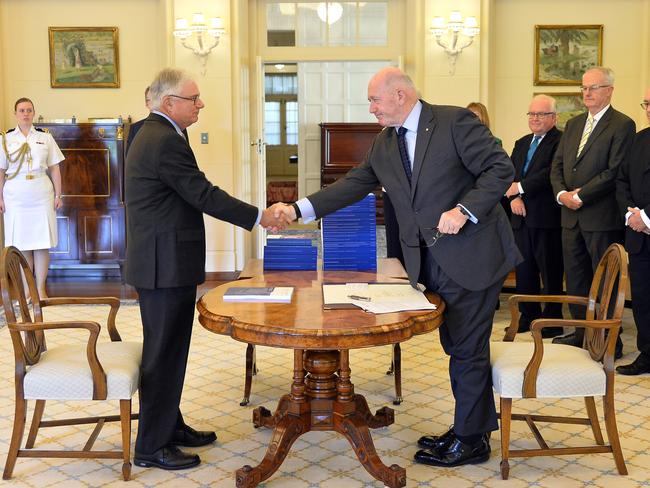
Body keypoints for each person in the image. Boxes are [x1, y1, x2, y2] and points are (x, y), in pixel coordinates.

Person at [273, 67, 521, 467]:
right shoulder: (385, 144)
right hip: (428, 261)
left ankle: (472, 440)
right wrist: (297, 208)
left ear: (401, 94)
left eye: (375, 100)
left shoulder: (455, 121)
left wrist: (465, 209)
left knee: (467, 350)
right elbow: (351, 185)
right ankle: (467, 429)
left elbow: (500, 170)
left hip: (474, 254)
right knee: (457, 347)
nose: (370, 108)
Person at [125, 68, 285, 470]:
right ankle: (150, 448)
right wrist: (259, 216)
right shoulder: (163, 140)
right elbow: (202, 194)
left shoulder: (154, 131)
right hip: (164, 266)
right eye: (193, 99)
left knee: (171, 350)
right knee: (163, 354)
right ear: (168, 104)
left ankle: (169, 426)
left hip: (163, 260)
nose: (200, 104)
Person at [550, 67, 635, 358]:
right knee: (575, 280)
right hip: (570, 218)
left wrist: (581, 196)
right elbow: (558, 165)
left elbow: (614, 171)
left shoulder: (622, 124)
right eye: (584, 88)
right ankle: (581, 333)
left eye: (593, 87)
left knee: (606, 285)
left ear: (609, 90)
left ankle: (610, 341)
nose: (587, 93)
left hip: (600, 217)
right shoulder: (573, 124)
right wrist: (562, 194)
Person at [505, 95, 564, 338]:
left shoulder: (561, 141)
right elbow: (508, 173)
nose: (535, 118)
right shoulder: (521, 142)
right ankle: (527, 316)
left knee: (550, 271)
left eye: (541, 114)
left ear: (554, 117)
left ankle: (551, 321)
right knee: (525, 271)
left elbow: (549, 174)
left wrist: (520, 189)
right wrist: (513, 197)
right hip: (520, 218)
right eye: (532, 114)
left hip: (546, 218)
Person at [0, 97, 64, 299]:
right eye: (21, 110)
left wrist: (58, 194)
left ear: (33, 113)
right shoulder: (5, 139)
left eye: (29, 110)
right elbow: (1, 171)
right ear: (15, 114)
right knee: (22, 243)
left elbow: (55, 168)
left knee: (41, 242)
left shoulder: (45, 138)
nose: (25, 113)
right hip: (15, 195)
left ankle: (41, 288)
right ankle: (28, 290)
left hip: (41, 193)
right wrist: (0, 198)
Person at [615, 87, 650, 375]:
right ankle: (647, 355)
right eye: (646, 103)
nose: (648, 108)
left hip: (645, 224)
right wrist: (631, 214)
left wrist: (647, 216)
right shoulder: (640, 139)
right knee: (643, 299)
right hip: (638, 236)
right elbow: (622, 179)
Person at [125, 86, 152, 154]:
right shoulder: (135, 128)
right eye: (149, 100)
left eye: (156, 99)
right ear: (146, 103)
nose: (154, 103)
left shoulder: (172, 126)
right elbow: (129, 157)